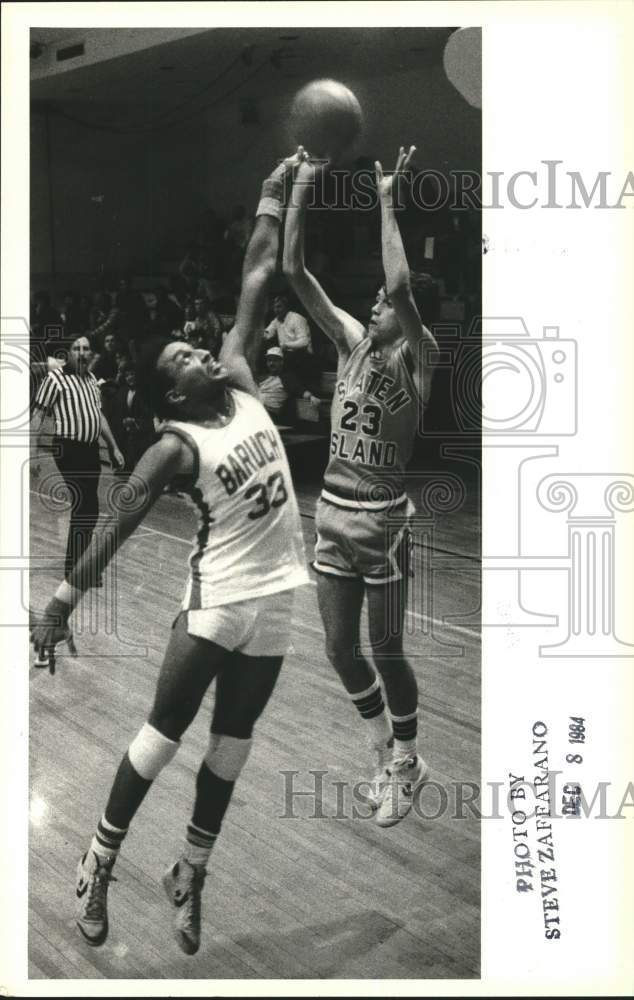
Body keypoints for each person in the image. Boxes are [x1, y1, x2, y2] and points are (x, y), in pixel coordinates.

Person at [31, 150, 309, 956]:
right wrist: (59, 604)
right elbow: (114, 527)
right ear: (173, 394)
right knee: (162, 737)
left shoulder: (244, 382)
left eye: (195, 349)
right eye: (182, 360)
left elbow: (258, 275)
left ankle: (190, 871)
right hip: (217, 601)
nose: (197, 351)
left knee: (232, 748)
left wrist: (271, 193)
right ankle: (96, 863)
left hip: (276, 601)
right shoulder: (174, 446)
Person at [284, 146, 439, 828]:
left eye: (380, 304)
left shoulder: (421, 358)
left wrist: (384, 197)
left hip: (383, 523)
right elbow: (294, 272)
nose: (373, 305)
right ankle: (384, 753)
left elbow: (402, 290)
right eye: (372, 301)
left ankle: (409, 755)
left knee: (387, 650)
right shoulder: (351, 344)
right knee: (338, 651)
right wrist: (299, 190)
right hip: (332, 516)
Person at [31, 334, 124, 580]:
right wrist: (31, 455)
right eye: (77, 348)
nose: (82, 352)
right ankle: (74, 570)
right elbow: (38, 417)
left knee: (89, 509)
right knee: (85, 506)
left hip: (91, 450)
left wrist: (113, 446)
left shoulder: (92, 379)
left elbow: (99, 416)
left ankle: (79, 566)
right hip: (69, 449)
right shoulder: (55, 378)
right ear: (69, 353)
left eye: (86, 349)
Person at [263, 291, 315, 386]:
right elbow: (267, 335)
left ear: (286, 307)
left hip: (304, 355)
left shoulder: (297, 318)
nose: (276, 310)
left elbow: (304, 342)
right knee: (269, 357)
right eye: (274, 307)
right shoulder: (276, 320)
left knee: (284, 363)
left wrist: (286, 345)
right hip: (288, 355)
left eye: (279, 307)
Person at [258, 346, 320, 423]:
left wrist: (311, 397)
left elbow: (299, 390)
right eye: (269, 361)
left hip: (271, 414)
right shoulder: (264, 377)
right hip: (259, 410)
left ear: (281, 362)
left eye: (275, 361)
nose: (271, 363)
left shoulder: (287, 378)